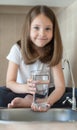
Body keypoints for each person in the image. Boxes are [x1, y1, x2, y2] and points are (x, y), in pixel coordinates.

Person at [0, 5, 65, 111]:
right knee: (1, 94)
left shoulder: (54, 50)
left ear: (54, 30)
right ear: (28, 28)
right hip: (22, 91)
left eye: (47, 29)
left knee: (72, 94)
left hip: (47, 93)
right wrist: (26, 87)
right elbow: (10, 82)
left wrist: (47, 102)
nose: (42, 33)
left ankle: (33, 101)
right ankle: (29, 100)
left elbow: (60, 87)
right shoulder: (17, 49)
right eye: (36, 28)